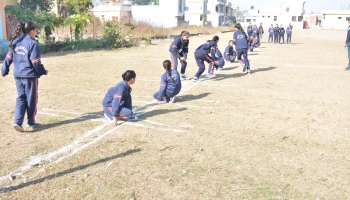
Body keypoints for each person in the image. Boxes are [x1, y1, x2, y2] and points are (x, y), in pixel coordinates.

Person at [1, 21, 48, 132]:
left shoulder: (15, 42)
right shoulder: (33, 43)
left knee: (21, 98)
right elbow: (35, 62)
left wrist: (4, 70)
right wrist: (43, 71)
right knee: (31, 99)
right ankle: (30, 121)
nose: (35, 32)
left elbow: (8, 59)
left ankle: (17, 122)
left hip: (18, 76)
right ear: (32, 31)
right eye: (35, 30)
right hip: (30, 77)